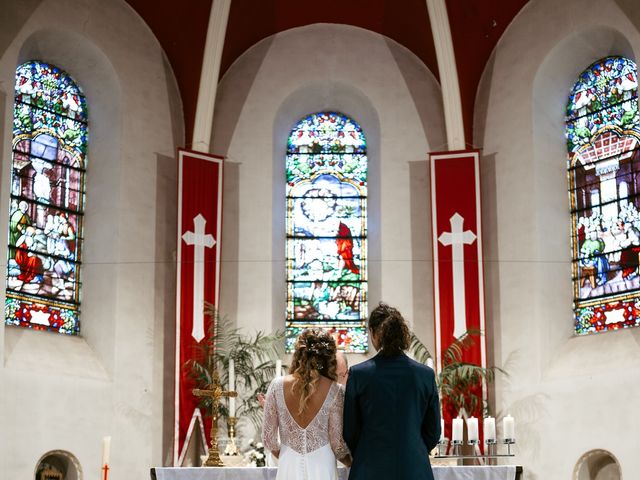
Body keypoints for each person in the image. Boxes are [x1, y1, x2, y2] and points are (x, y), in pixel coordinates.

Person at [343, 302, 441, 480]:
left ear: (373, 334)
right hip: (414, 468)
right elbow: (433, 431)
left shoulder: (358, 374)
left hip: (369, 468)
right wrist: (413, 449)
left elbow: (349, 430)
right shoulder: (425, 375)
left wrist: (367, 451)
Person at [262, 329, 351, 479]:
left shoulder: (277, 386)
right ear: (328, 358)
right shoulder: (336, 391)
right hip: (323, 469)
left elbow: (268, 439)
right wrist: (351, 462)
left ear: (298, 354)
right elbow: (337, 444)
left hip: (288, 468)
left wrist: (287, 454)